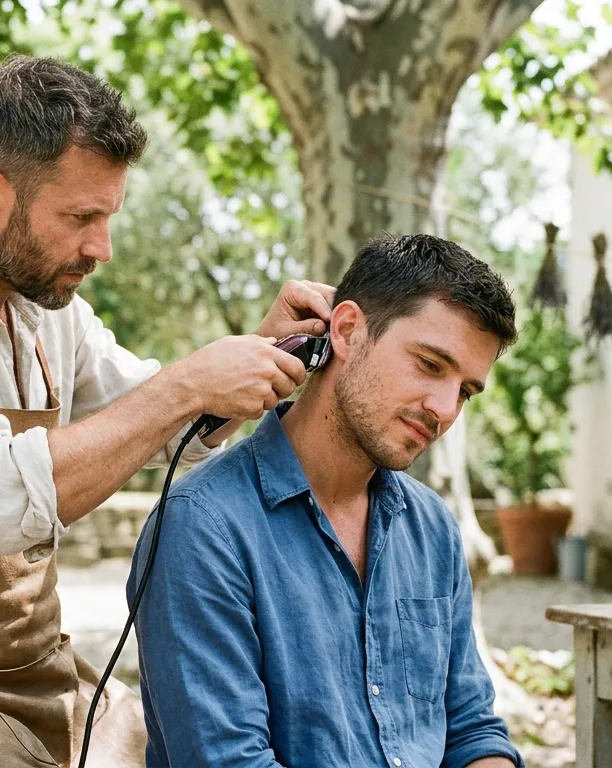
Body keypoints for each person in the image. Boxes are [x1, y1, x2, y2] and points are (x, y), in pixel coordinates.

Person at [0, 54, 334, 768]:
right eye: (80, 217)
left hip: (37, 680)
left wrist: (261, 353)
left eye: (107, 217)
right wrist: (187, 386)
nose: (100, 248)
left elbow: (161, 425)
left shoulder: (47, 308)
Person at [128, 233, 526, 768]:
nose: (444, 409)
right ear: (346, 331)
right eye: (430, 365)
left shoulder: (431, 525)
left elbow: (472, 731)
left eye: (465, 391)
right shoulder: (202, 529)